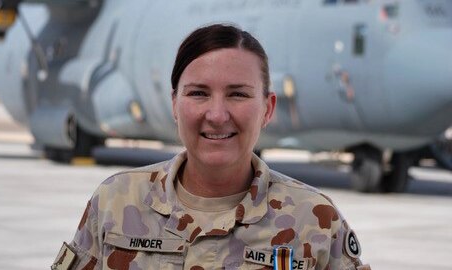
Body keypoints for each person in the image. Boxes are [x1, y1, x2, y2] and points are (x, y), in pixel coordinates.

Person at [52, 24, 371, 270]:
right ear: (175, 104)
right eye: (198, 93)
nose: (217, 115)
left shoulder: (315, 221)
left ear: (268, 108)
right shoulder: (114, 203)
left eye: (238, 94)